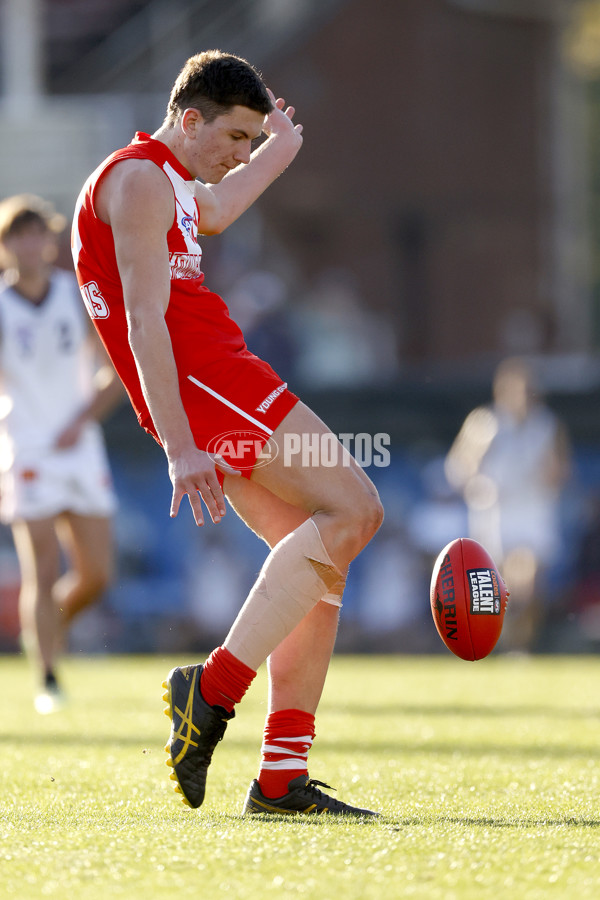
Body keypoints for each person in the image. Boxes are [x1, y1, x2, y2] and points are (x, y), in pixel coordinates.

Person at [72, 50, 383, 816]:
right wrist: (181, 447)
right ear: (188, 120)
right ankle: (209, 693)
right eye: (235, 137)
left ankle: (279, 780)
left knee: (316, 570)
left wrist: (281, 148)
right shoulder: (142, 181)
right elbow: (145, 319)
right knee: (356, 510)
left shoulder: (163, 181)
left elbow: (218, 207)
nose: (238, 154)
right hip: (212, 383)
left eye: (251, 141)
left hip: (206, 385)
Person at [0, 194, 122, 713]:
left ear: (52, 241)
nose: (29, 245)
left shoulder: (77, 296)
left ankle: (48, 629)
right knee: (41, 570)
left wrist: (82, 419)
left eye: (37, 233)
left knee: (97, 574)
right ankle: (47, 677)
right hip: (26, 448)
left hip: (79, 447)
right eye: (16, 236)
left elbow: (114, 367)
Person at [445, 357, 571, 653]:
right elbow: (458, 468)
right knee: (497, 587)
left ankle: (519, 645)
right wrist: (477, 474)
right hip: (495, 512)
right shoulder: (485, 423)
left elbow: (561, 471)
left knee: (528, 581)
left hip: (533, 511)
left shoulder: (548, 425)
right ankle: (495, 640)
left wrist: (550, 472)